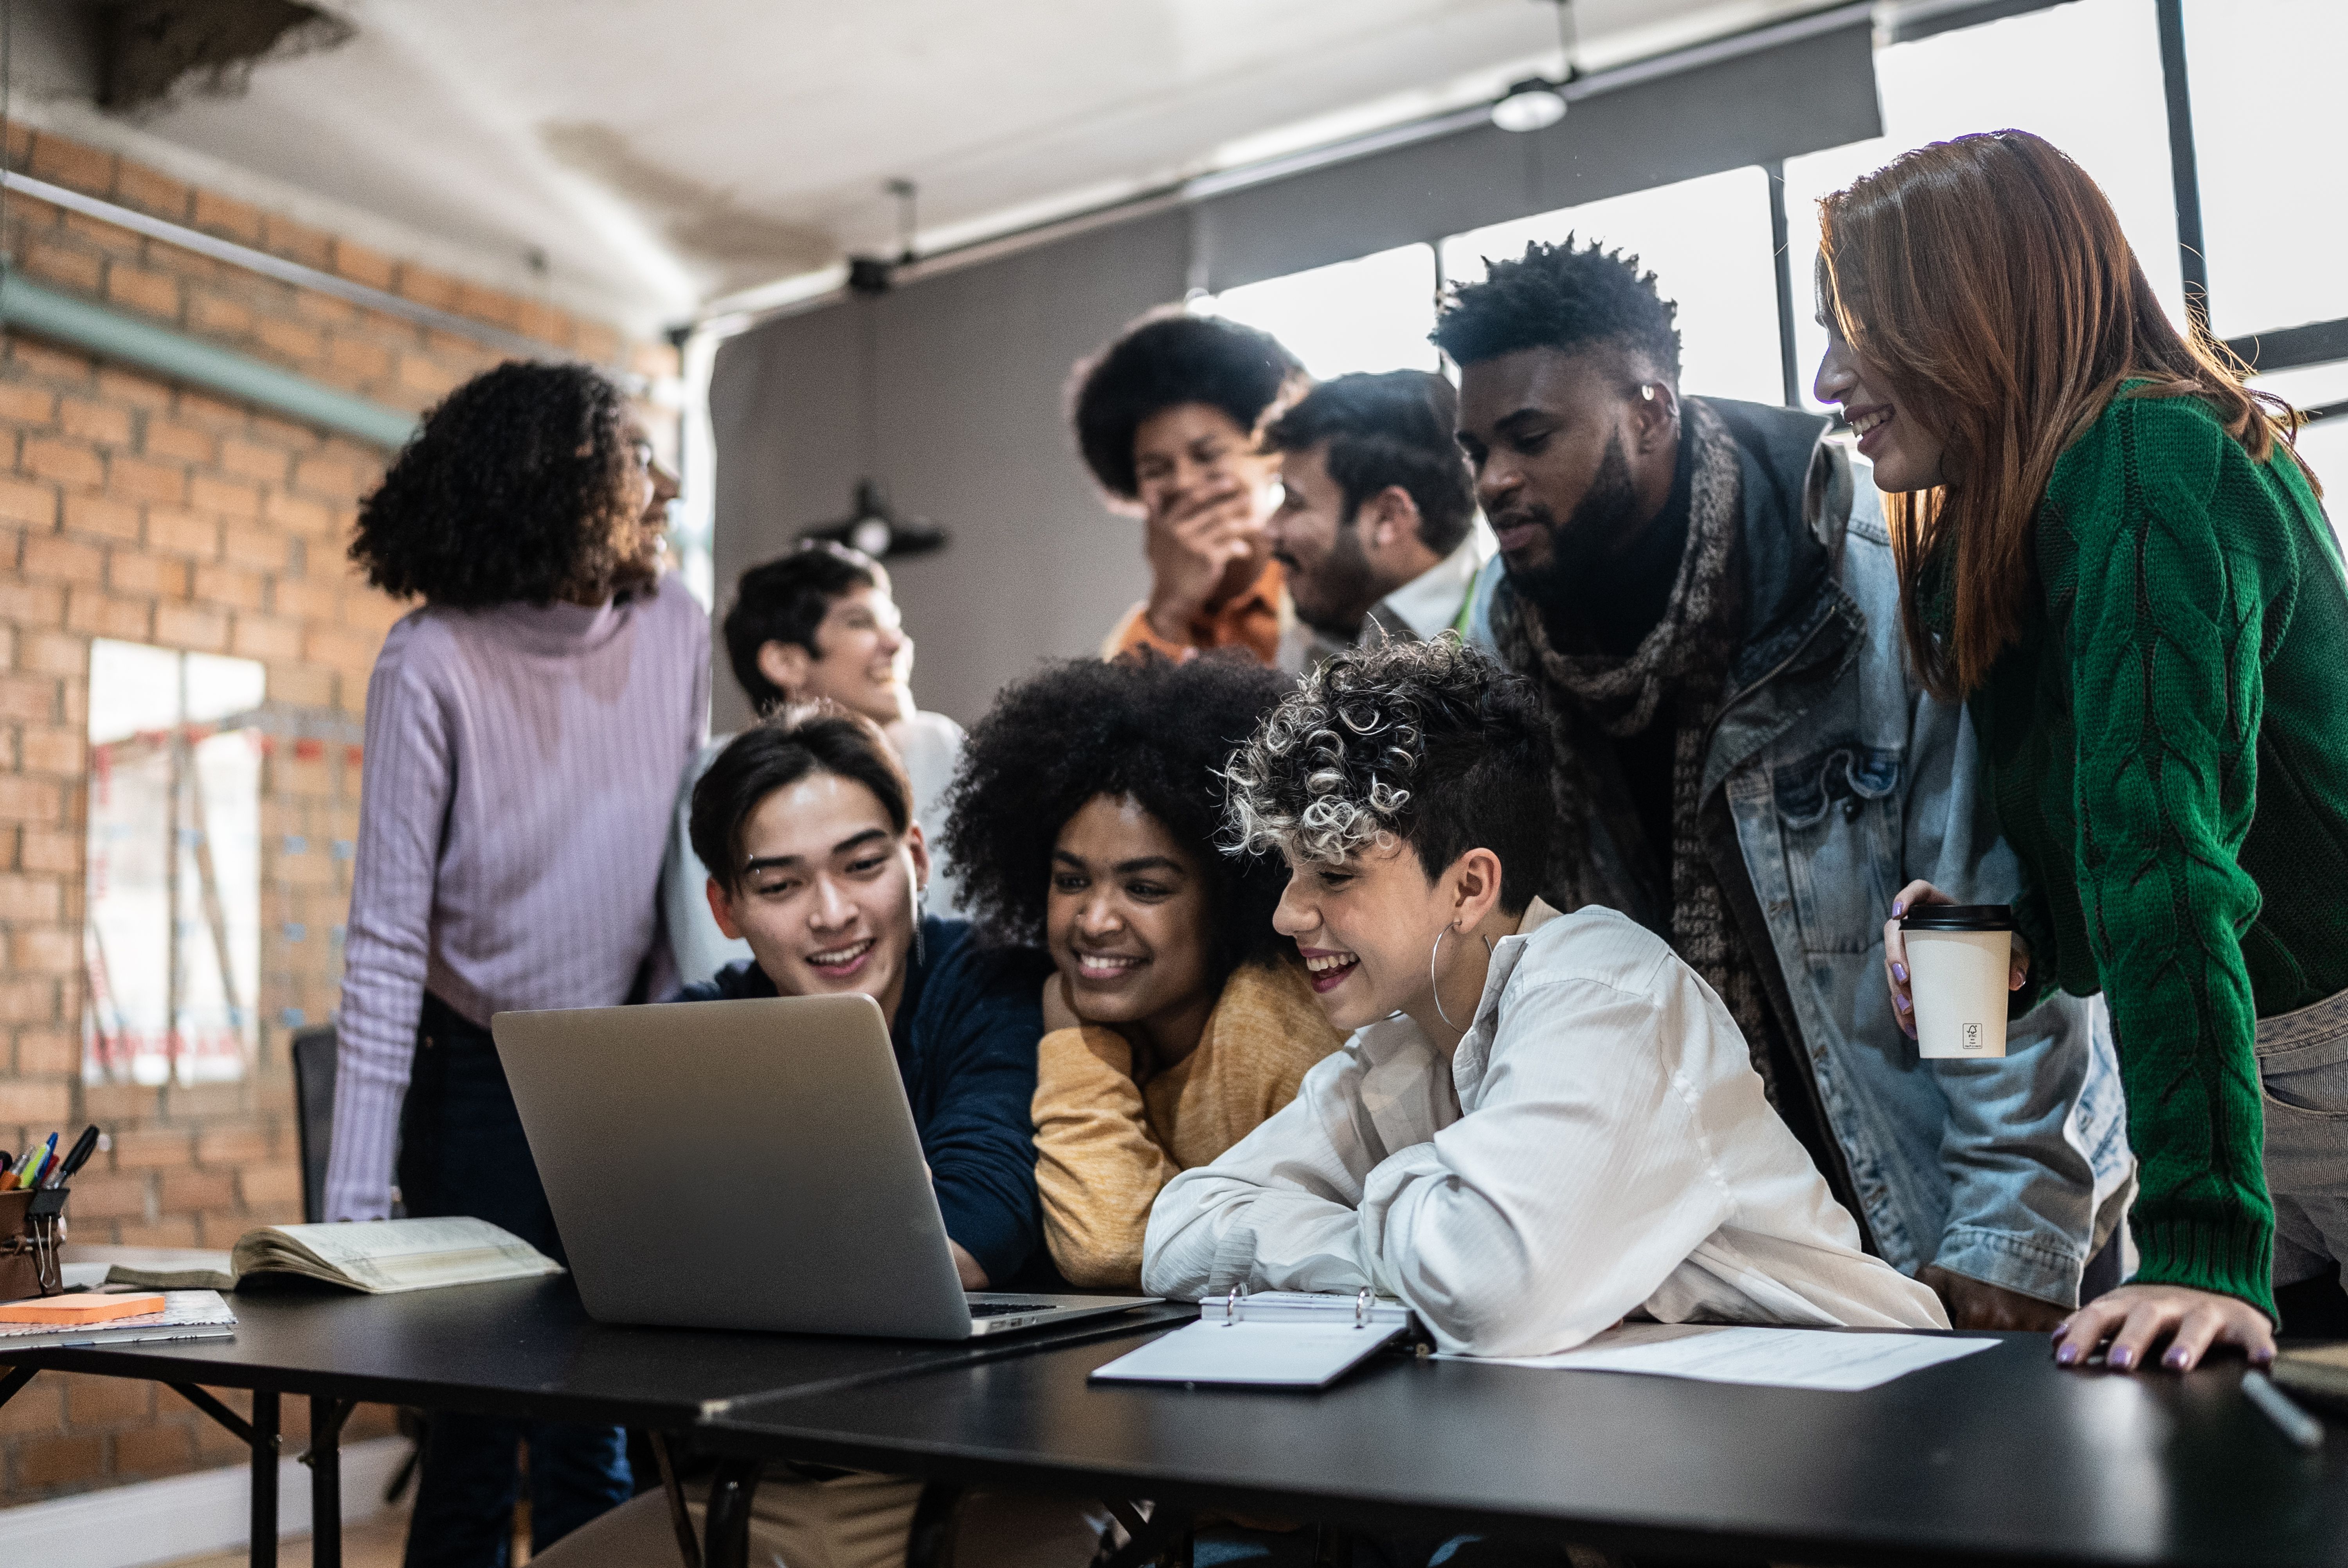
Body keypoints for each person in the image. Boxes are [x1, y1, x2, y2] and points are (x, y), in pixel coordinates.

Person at [1439, 237, 2132, 1333]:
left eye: (1531, 438)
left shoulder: (1865, 578)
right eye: (1476, 448)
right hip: (1727, 1248)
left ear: (1652, 410)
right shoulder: (1506, 648)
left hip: (1938, 1214)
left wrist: (2008, 1231)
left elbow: (1972, 918)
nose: (1493, 482)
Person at [1815, 131, 2346, 1373]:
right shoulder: (2001, 527)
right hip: (2251, 1068)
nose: (1829, 375)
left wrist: (2196, 1244)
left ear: (1963, 310)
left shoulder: (2148, 456)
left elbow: (2166, 861)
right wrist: (2015, 955)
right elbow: (2104, 858)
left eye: (1855, 324)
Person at [1143, 638, 1948, 1355]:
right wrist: (1396, 1231)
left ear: (1469, 887)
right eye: (1291, 872)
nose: (1288, 913)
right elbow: (1178, 1234)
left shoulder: (1603, 992)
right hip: (1666, 1463)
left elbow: (1487, 1292)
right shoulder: (1404, 1043)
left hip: (1859, 1445)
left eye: (1336, 874)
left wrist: (1396, 1204)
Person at [536, 708, 1098, 1568]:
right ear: (725, 906)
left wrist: (713, 1277)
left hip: (974, 1477)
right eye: (780, 885)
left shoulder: (997, 986)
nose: (833, 914)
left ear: (916, 859)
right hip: (742, 1483)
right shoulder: (688, 1034)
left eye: (863, 866)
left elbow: (972, 1229)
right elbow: (601, 1254)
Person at [329, 362, 704, 1568]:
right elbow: (387, 937)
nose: (663, 483)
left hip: (623, 1068)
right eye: (632, 460)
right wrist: (348, 1215)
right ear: (555, 490)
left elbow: (677, 869)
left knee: (597, 1421)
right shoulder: (428, 661)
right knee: (476, 1429)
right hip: (477, 1071)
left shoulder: (676, 624)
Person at [944, 655, 1344, 1289]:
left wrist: (1074, 1039)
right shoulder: (1116, 1014)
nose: (1096, 918)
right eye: (1072, 880)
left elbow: (1111, 1249)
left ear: (1227, 896)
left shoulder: (1266, 1029)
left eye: (1146, 888)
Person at [662, 541, 964, 986]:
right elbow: (712, 958)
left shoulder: (935, 744)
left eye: (895, 625)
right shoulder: (718, 777)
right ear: (785, 662)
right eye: (860, 623)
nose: (897, 643)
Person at [1071, 310, 1311, 668]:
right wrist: (1169, 610)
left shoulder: (1320, 593)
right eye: (1156, 470)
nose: (1184, 482)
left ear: (1271, 458)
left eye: (1207, 455)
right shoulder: (1138, 637)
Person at [1261, 369, 1490, 659]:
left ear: (1388, 517)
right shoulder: (1328, 605)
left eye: (1294, 502)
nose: (1269, 529)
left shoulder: (1507, 643)